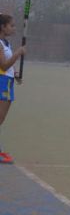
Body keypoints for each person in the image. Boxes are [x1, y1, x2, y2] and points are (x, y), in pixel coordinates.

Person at [0, 13, 25, 165]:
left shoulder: (6, 43)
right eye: (11, 25)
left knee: (1, 118)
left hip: (7, 81)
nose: (14, 28)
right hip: (1, 82)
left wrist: (15, 73)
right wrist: (18, 53)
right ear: (2, 27)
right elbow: (3, 65)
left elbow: (7, 67)